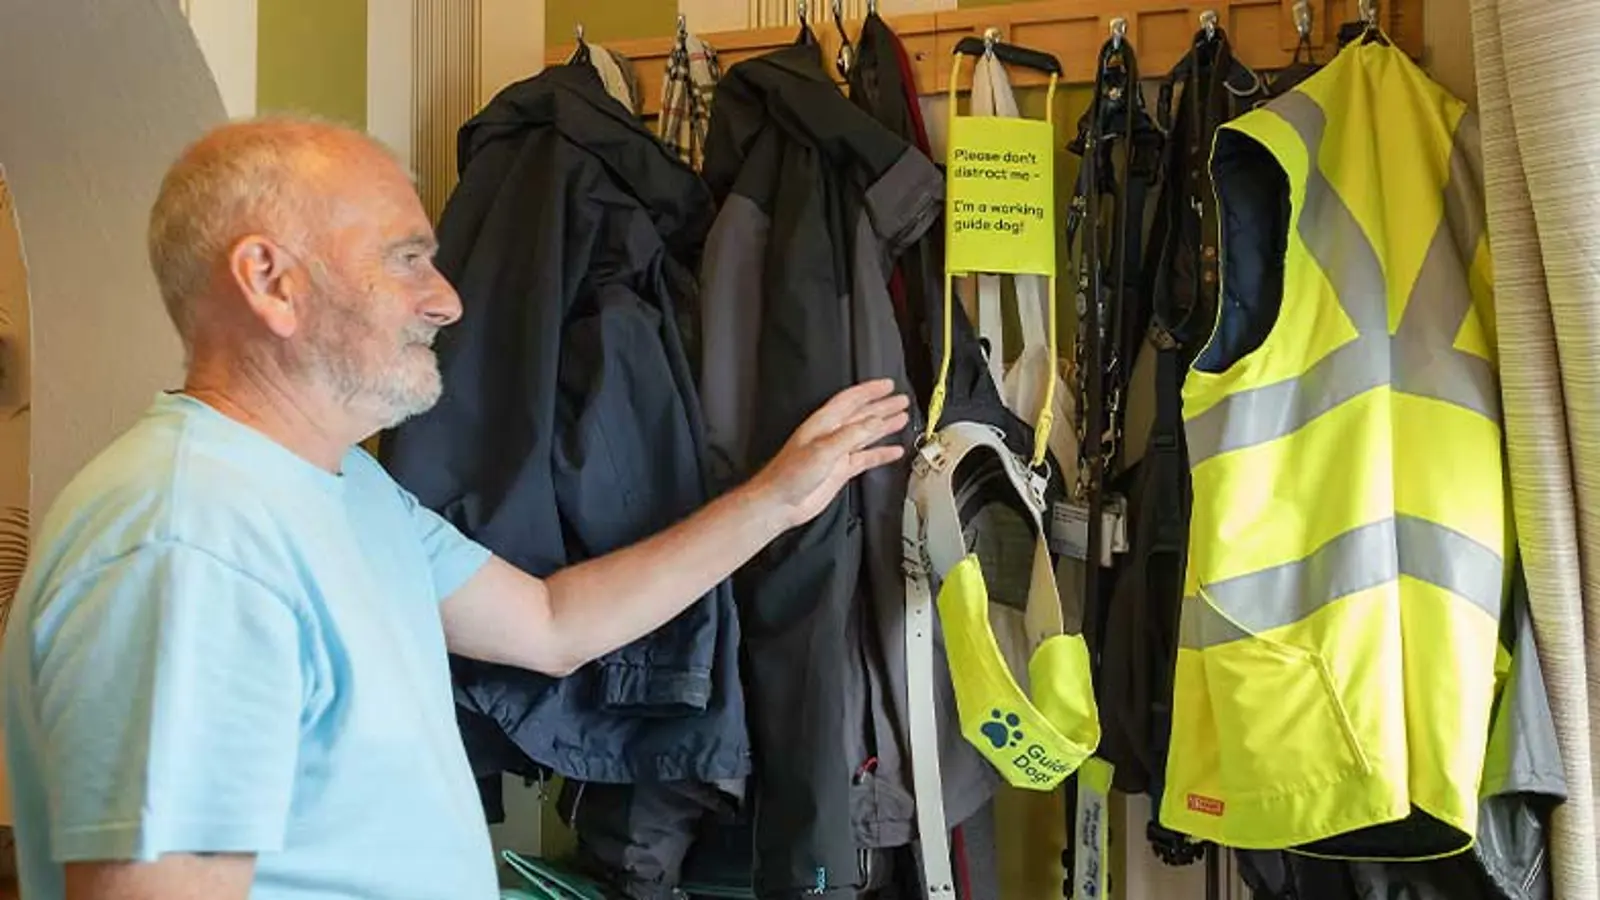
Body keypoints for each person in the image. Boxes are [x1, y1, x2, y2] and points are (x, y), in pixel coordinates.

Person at [0, 117, 911, 900]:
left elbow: (554, 622)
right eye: (406, 260)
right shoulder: (189, 542)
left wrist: (776, 499)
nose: (446, 301)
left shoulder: (344, 487)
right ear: (271, 281)